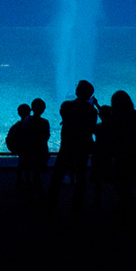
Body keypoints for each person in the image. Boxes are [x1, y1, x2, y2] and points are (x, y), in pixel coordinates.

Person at [101, 90, 136, 220]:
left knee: (121, 186)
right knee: (127, 186)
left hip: (120, 159)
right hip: (135, 158)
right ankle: (127, 210)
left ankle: (127, 214)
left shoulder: (113, 119)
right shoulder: (135, 115)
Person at [47, 80, 98, 214]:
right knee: (81, 176)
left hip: (67, 146)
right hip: (83, 146)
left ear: (77, 92)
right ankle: (77, 206)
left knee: (58, 174)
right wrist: (92, 105)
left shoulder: (66, 105)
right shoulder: (92, 111)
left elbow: (66, 115)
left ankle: (51, 202)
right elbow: (92, 127)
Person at [26, 98, 51, 195]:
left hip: (29, 149)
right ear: (43, 109)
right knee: (38, 171)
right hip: (41, 149)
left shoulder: (27, 120)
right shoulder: (45, 122)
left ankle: (27, 185)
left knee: (28, 168)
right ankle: (38, 188)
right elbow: (46, 136)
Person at [5, 103, 32, 189]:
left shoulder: (17, 126)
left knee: (21, 164)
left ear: (19, 113)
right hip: (31, 149)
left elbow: (10, 138)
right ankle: (29, 181)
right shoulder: (39, 123)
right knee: (29, 166)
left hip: (21, 149)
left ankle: (19, 180)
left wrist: (13, 148)